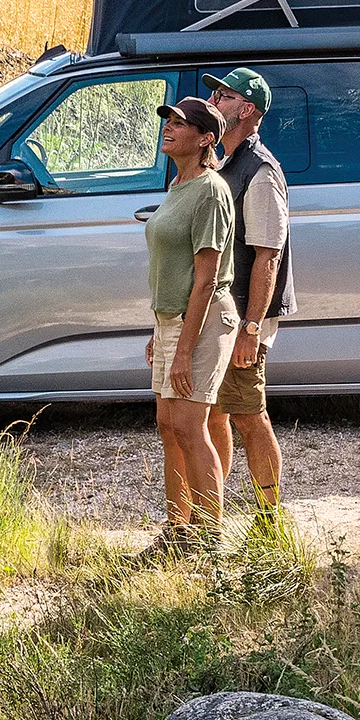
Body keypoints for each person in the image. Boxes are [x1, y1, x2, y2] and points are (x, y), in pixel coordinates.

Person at [143, 94, 239, 554]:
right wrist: (158, 331)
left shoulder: (211, 191)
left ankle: (209, 538)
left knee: (189, 424)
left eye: (179, 123)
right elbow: (171, 267)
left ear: (205, 139)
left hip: (202, 322)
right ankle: (178, 530)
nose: (169, 127)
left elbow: (205, 281)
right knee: (168, 424)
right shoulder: (178, 184)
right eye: (168, 120)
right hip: (171, 322)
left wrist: (183, 348)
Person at [203, 67, 294, 516]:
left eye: (223, 96)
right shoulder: (225, 163)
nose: (213, 102)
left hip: (245, 319)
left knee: (248, 415)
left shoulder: (260, 171)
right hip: (225, 315)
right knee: (213, 413)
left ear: (247, 110)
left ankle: (270, 524)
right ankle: (212, 516)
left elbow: (268, 257)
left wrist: (251, 328)